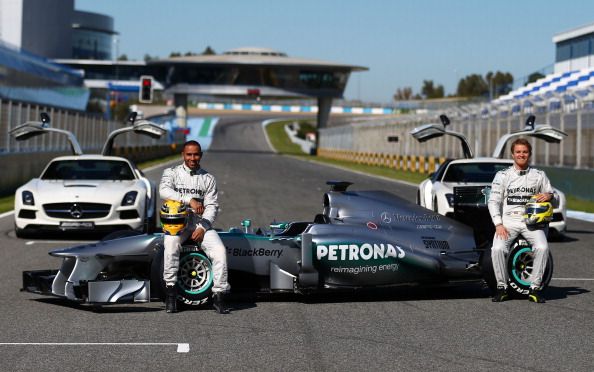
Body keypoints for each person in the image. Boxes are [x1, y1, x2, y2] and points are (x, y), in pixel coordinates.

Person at [159, 140, 230, 314]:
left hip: (200, 223)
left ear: (201, 155)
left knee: (220, 251)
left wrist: (203, 227)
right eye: (189, 154)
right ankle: (171, 294)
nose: (193, 158)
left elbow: (212, 206)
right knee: (170, 245)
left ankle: (219, 295)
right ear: (183, 155)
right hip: (177, 223)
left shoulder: (208, 178)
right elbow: (164, 191)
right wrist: (189, 200)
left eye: (196, 154)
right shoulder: (171, 173)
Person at [488, 138, 557, 303]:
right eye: (518, 152)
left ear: (530, 154)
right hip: (509, 222)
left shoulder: (539, 175)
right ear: (512, 154)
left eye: (525, 152)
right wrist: (498, 224)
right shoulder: (502, 175)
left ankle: (535, 288)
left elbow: (553, 198)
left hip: (532, 224)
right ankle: (502, 288)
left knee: (542, 246)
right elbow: (493, 201)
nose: (521, 155)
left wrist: (549, 195)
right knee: (497, 249)